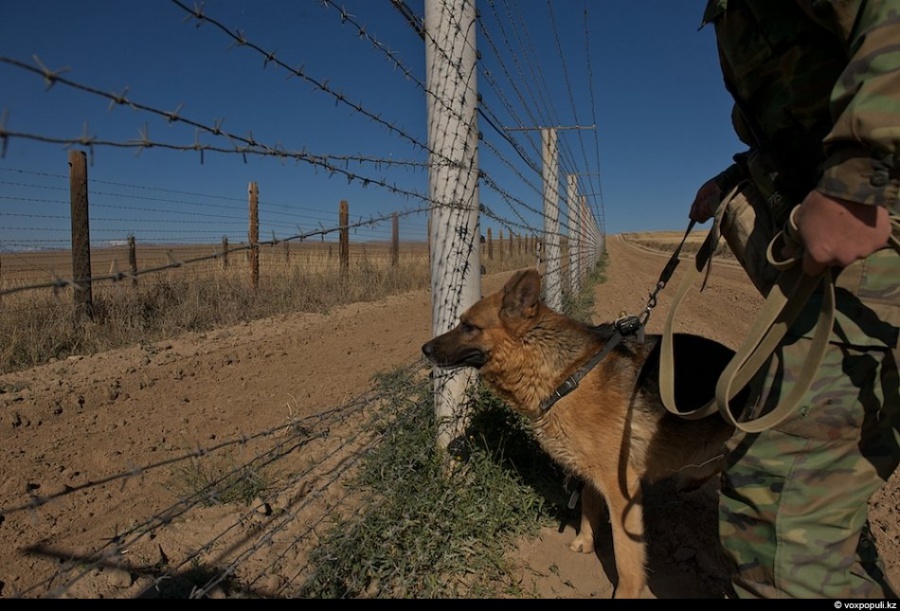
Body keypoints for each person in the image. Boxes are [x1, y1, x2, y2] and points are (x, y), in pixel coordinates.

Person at [689, 0, 900, 599]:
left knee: (781, 521)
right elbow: (800, 111)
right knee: (822, 494)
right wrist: (737, 176)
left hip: (878, 225)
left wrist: (857, 179)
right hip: (852, 237)